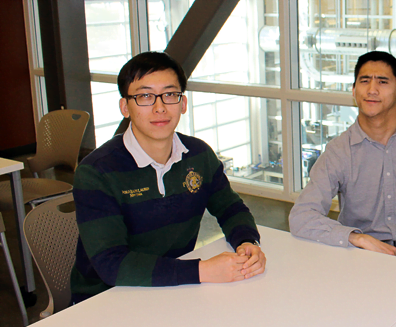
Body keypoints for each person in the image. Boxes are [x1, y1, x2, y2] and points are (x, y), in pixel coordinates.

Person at [70, 52, 265, 303]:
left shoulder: (198, 155)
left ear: (183, 103)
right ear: (124, 107)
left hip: (173, 289)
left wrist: (247, 241)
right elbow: (112, 264)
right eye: (144, 96)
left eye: (170, 95)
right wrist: (202, 270)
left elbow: (230, 207)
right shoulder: (97, 171)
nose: (160, 107)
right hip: (105, 300)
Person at [288, 51, 396, 268]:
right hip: (365, 253)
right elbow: (301, 217)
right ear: (354, 91)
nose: (372, 90)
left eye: (383, 82)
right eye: (364, 81)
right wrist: (357, 237)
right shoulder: (338, 151)